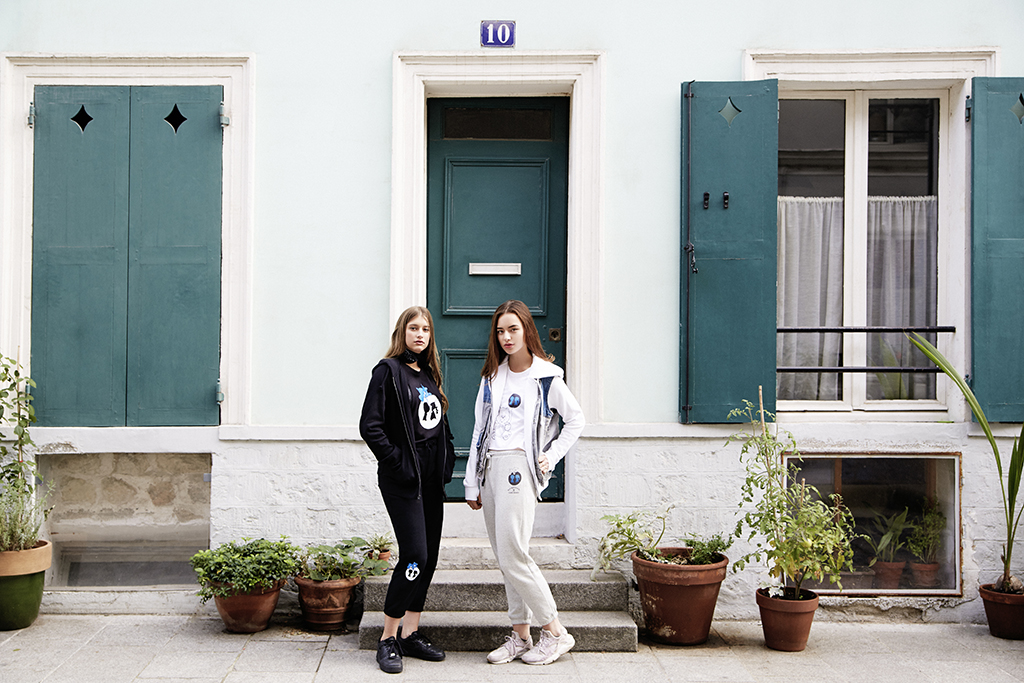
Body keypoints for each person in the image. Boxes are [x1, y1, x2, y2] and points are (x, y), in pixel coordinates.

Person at [465, 300, 585, 666]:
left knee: (514, 553)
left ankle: (555, 631)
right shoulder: (492, 377)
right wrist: (471, 481)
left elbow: (576, 420)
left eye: (513, 329)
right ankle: (520, 635)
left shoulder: (546, 377)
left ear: (527, 331)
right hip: (490, 468)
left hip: (519, 467)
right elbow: (478, 430)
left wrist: (551, 454)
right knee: (506, 557)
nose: (506, 337)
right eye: (500, 331)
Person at [359, 306, 456, 674]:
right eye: (414, 328)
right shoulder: (388, 371)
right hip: (404, 481)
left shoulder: (428, 373)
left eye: (426, 329)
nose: (420, 334)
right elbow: (370, 426)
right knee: (414, 555)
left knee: (429, 557)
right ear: (402, 332)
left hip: (430, 480)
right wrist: (397, 463)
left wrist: (446, 461)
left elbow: (438, 424)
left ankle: (411, 633)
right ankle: (388, 637)